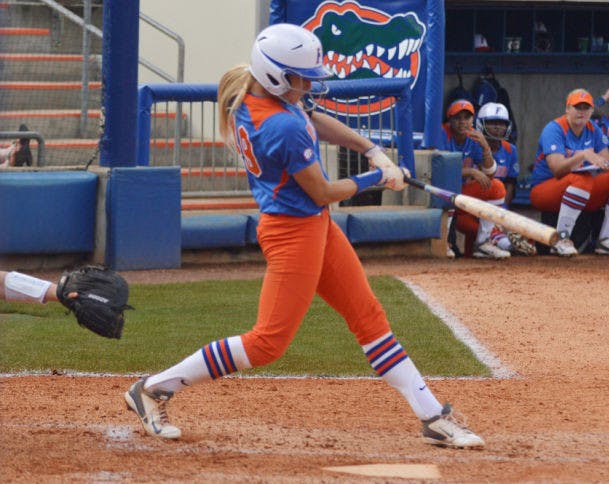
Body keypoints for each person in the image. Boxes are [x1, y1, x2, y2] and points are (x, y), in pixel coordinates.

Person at [123, 23, 484, 449]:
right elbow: (324, 192)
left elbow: (314, 118)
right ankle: (153, 388)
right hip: (293, 232)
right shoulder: (279, 125)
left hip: (315, 227)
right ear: (276, 74)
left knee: (368, 317)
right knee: (267, 343)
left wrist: (372, 150)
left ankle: (432, 416)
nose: (309, 85)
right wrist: (377, 177)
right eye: (301, 78)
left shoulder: (255, 92)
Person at [530, 89, 609, 256]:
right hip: (545, 190)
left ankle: (606, 239)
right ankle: (561, 238)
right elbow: (557, 169)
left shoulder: (592, 128)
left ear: (591, 111)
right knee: (581, 180)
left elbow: (604, 163)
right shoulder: (554, 128)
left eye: (586, 108)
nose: (581, 112)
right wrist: (582, 155)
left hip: (579, 190)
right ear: (567, 109)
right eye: (577, 107)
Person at [437, 99, 511, 259]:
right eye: (458, 118)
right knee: (450, 186)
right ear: (449, 120)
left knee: (496, 186)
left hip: (463, 195)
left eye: (467, 118)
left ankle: (483, 242)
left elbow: (490, 173)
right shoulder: (441, 134)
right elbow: (439, 171)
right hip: (439, 192)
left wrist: (485, 147)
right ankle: (443, 243)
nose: (462, 122)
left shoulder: (474, 137)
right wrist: (470, 171)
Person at [474, 102, 536, 255]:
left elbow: (510, 182)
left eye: (501, 124)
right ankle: (506, 244)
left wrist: (503, 208)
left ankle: (505, 243)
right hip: (477, 201)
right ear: (481, 124)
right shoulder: (475, 145)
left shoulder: (510, 149)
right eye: (492, 123)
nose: (497, 127)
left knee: (521, 230)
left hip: (498, 202)